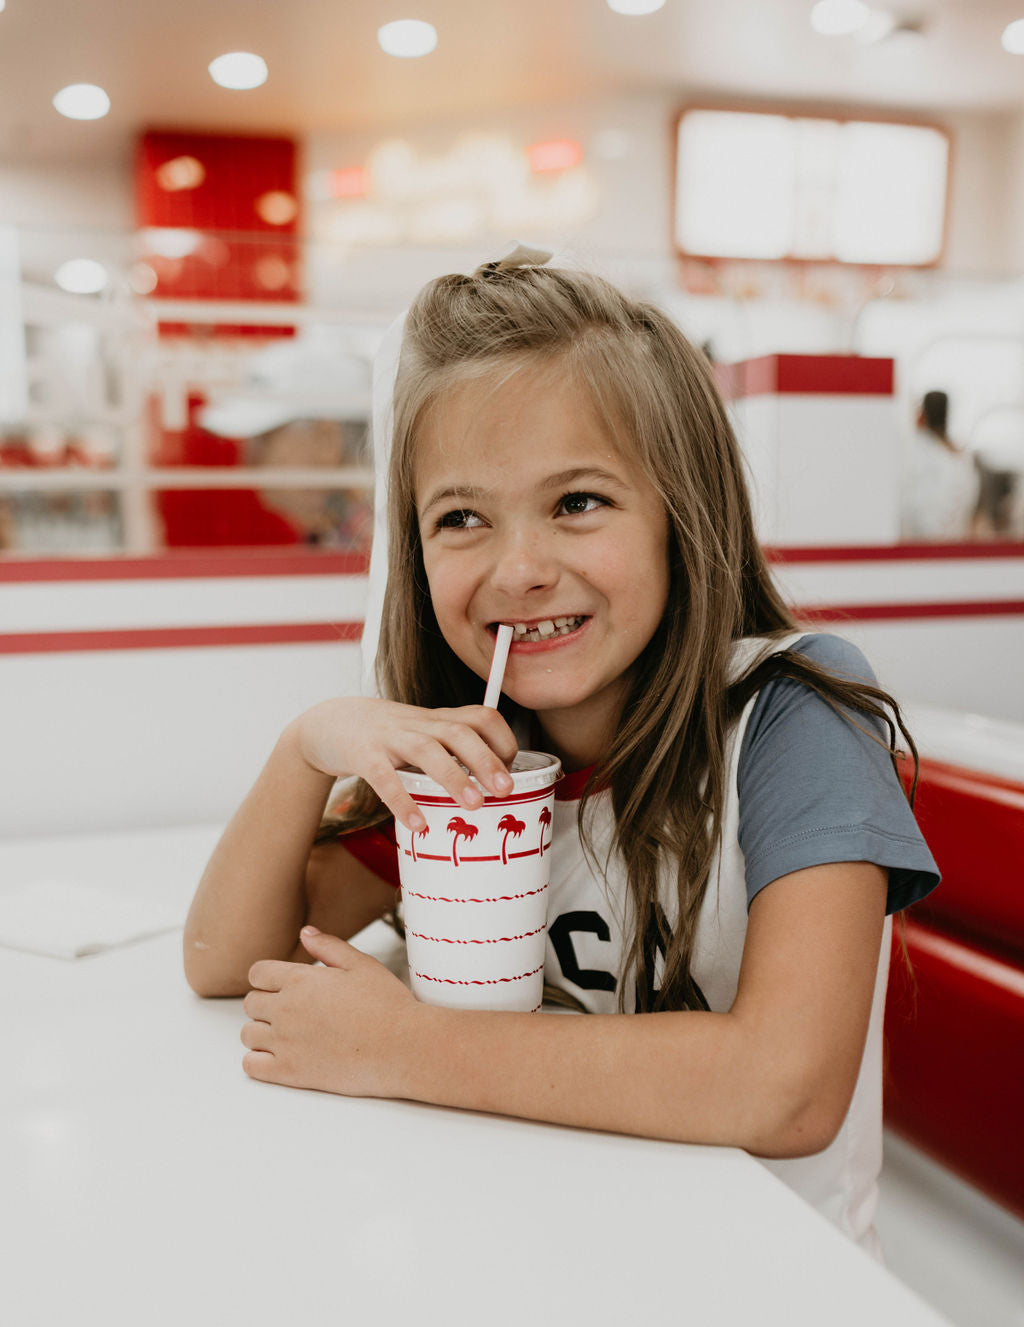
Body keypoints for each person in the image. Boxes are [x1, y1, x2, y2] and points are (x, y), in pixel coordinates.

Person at [184, 250, 939, 1256]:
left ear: (684, 510)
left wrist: (411, 1046)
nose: (521, 568)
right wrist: (304, 750)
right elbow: (228, 961)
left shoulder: (792, 713)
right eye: (461, 518)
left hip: (759, 1280)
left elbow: (786, 1086)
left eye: (577, 501)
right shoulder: (473, 753)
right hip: (529, 1242)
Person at [899, 389, 979, 542]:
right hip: (953, 541)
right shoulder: (959, 457)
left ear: (922, 414)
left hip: (926, 543)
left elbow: (914, 504)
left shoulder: (920, 451)